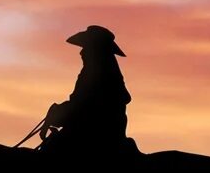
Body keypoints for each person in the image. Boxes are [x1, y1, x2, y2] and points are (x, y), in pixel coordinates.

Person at [38, 24, 138, 163]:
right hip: (108, 131)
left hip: (92, 132)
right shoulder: (107, 73)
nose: (81, 52)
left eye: (86, 47)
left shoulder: (96, 75)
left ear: (95, 50)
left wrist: (57, 112)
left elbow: (82, 106)